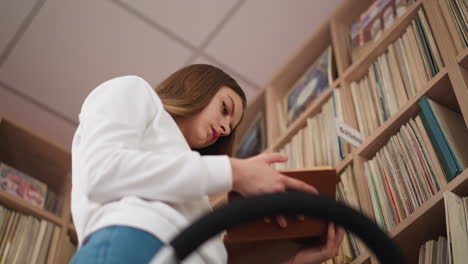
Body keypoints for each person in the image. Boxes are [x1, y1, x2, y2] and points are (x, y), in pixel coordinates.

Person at [70, 64, 344, 264]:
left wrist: (294, 262)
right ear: (192, 83)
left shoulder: (190, 185)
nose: (225, 128)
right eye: (225, 109)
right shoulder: (132, 90)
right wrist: (235, 171)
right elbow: (101, 171)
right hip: (132, 241)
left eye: (230, 127)